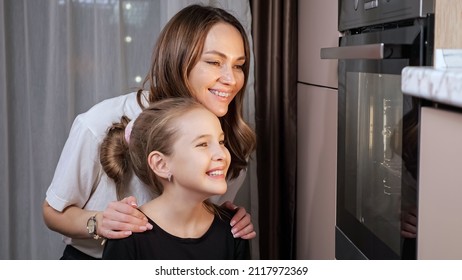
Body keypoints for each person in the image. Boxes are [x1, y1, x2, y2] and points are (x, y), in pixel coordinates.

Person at [42, 4, 256, 259]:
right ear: (176, 60)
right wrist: (99, 222)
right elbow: (53, 212)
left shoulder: (230, 142)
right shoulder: (99, 122)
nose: (231, 79)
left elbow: (196, 215)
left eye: (239, 65)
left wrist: (225, 220)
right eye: (214, 62)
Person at [101, 98, 250, 259]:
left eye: (221, 142)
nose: (222, 154)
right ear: (161, 164)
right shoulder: (127, 235)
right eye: (203, 144)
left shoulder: (235, 228)